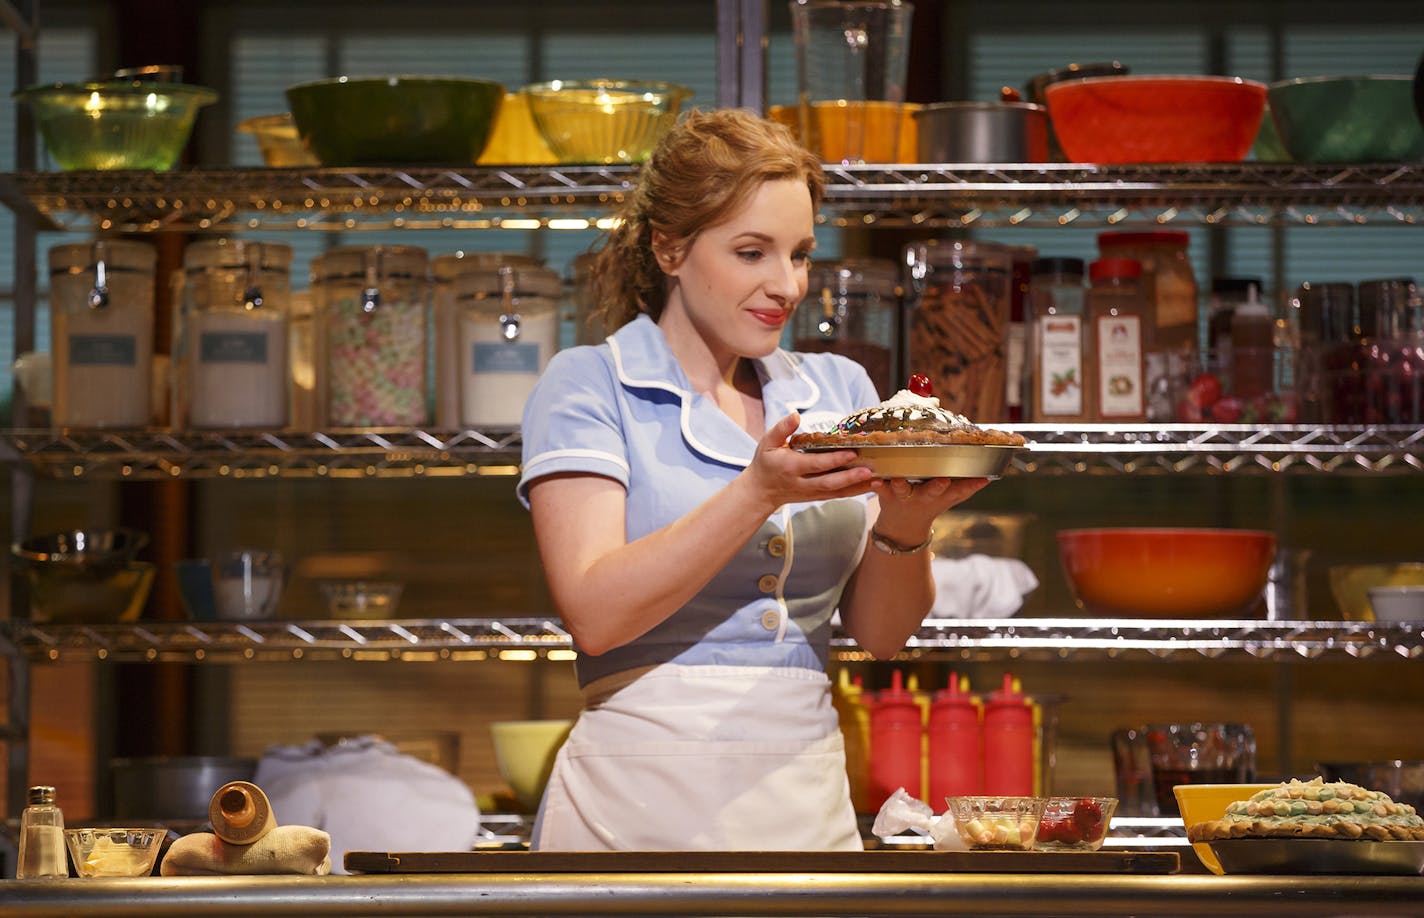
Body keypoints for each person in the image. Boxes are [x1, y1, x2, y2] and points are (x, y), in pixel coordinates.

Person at [517, 107, 991, 851]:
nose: (787, 284)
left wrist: (907, 522)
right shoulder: (589, 385)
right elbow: (595, 614)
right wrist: (756, 493)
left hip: (805, 809)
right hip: (630, 815)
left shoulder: (838, 390)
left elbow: (883, 636)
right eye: (751, 252)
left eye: (799, 254)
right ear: (669, 248)